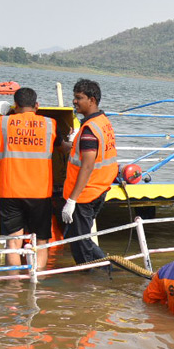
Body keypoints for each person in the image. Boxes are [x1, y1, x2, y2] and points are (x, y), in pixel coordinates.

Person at [0, 87, 58, 270]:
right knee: (40, 242)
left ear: (15, 106)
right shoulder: (50, 124)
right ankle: (37, 279)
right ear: (37, 105)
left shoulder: (3, 123)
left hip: (10, 192)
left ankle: (13, 286)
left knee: (13, 243)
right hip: (40, 193)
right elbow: (64, 147)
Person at [59, 79, 118, 265]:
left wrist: (72, 200)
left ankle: (93, 275)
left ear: (91, 100)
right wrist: (66, 145)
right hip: (99, 189)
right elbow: (85, 151)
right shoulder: (102, 122)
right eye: (74, 97)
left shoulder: (88, 130)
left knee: (81, 242)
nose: (74, 102)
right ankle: (100, 272)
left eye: (79, 98)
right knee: (81, 238)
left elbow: (87, 165)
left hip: (85, 195)